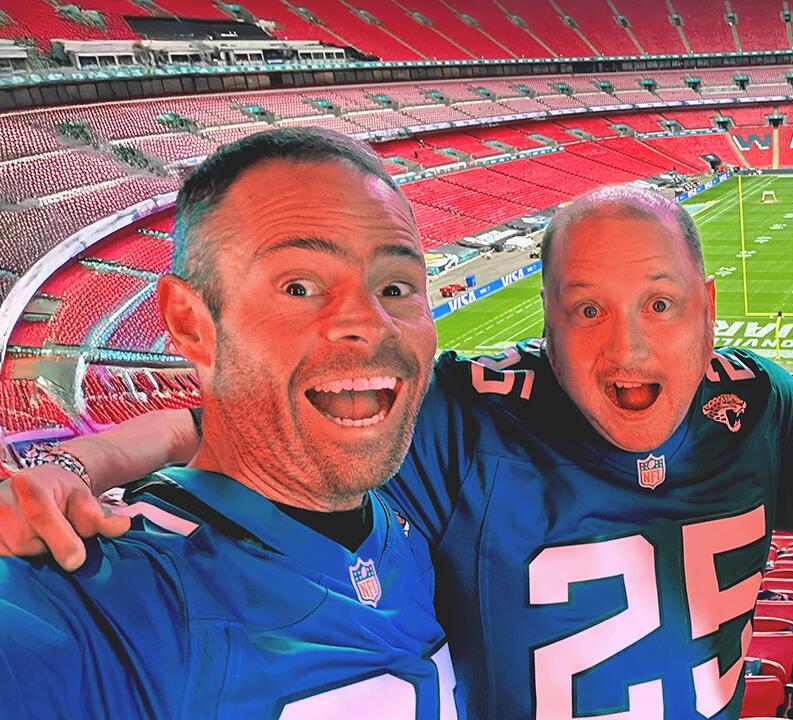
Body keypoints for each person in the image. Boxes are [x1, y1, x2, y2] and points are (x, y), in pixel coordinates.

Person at [0, 185, 793, 718]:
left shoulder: (759, 401)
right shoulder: (465, 413)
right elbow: (228, 420)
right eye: (586, 311)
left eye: (662, 303)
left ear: (708, 310)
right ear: (544, 320)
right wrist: (78, 465)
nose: (627, 351)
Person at [0, 128, 461, 717]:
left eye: (396, 287)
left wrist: (76, 460)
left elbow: (186, 426)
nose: (372, 324)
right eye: (300, 286)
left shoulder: (412, 486)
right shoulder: (114, 597)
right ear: (191, 324)